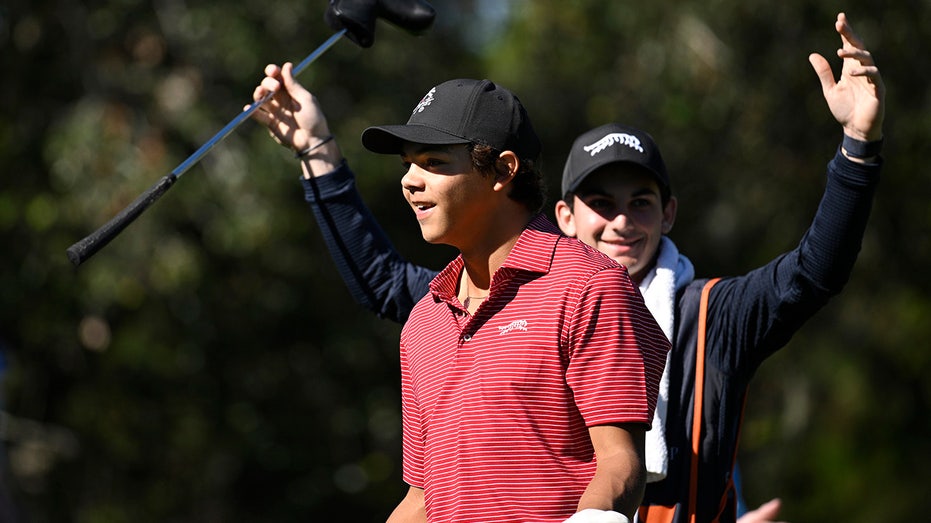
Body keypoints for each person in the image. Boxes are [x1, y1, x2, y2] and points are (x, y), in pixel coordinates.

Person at [250, 11, 883, 523]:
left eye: (641, 204)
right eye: (600, 204)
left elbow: (811, 275)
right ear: (563, 215)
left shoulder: (707, 314)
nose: (620, 222)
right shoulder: (446, 309)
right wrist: (316, 151)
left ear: (670, 214)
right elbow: (385, 285)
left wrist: (857, 147)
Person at [252, 75, 671, 522]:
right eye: (407, 164)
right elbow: (421, 499)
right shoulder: (425, 319)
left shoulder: (590, 285)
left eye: (433, 162)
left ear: (503, 170)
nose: (410, 182)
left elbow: (619, 463)